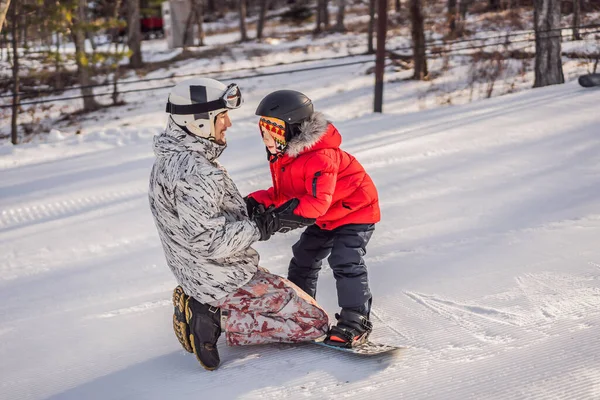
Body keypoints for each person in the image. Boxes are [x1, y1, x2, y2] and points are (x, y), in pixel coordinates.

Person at [148, 78, 329, 371]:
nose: (228, 124)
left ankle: (207, 303)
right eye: (221, 117)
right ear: (199, 123)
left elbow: (196, 221)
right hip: (224, 276)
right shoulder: (197, 172)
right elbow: (209, 240)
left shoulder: (171, 159)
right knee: (314, 322)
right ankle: (214, 317)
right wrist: (262, 226)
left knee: (290, 297)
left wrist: (250, 209)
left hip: (199, 272)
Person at [245, 90, 381, 349]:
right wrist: (255, 202)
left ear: (294, 127)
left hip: (355, 212)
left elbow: (316, 203)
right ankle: (300, 313)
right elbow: (283, 195)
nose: (267, 135)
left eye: (273, 127)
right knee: (304, 257)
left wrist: (276, 220)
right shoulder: (284, 155)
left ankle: (357, 320)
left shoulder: (320, 156)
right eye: (263, 127)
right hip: (328, 215)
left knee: (345, 259)